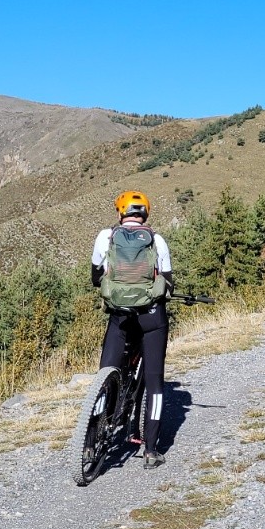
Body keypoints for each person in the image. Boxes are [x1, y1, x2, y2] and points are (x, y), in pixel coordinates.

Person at [91, 190, 174, 467]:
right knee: (155, 383)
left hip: (119, 316)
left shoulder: (106, 237)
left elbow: (95, 277)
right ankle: (151, 451)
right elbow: (168, 280)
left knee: (105, 375)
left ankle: (92, 439)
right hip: (151, 317)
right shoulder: (157, 241)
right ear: (145, 215)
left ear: (120, 214)